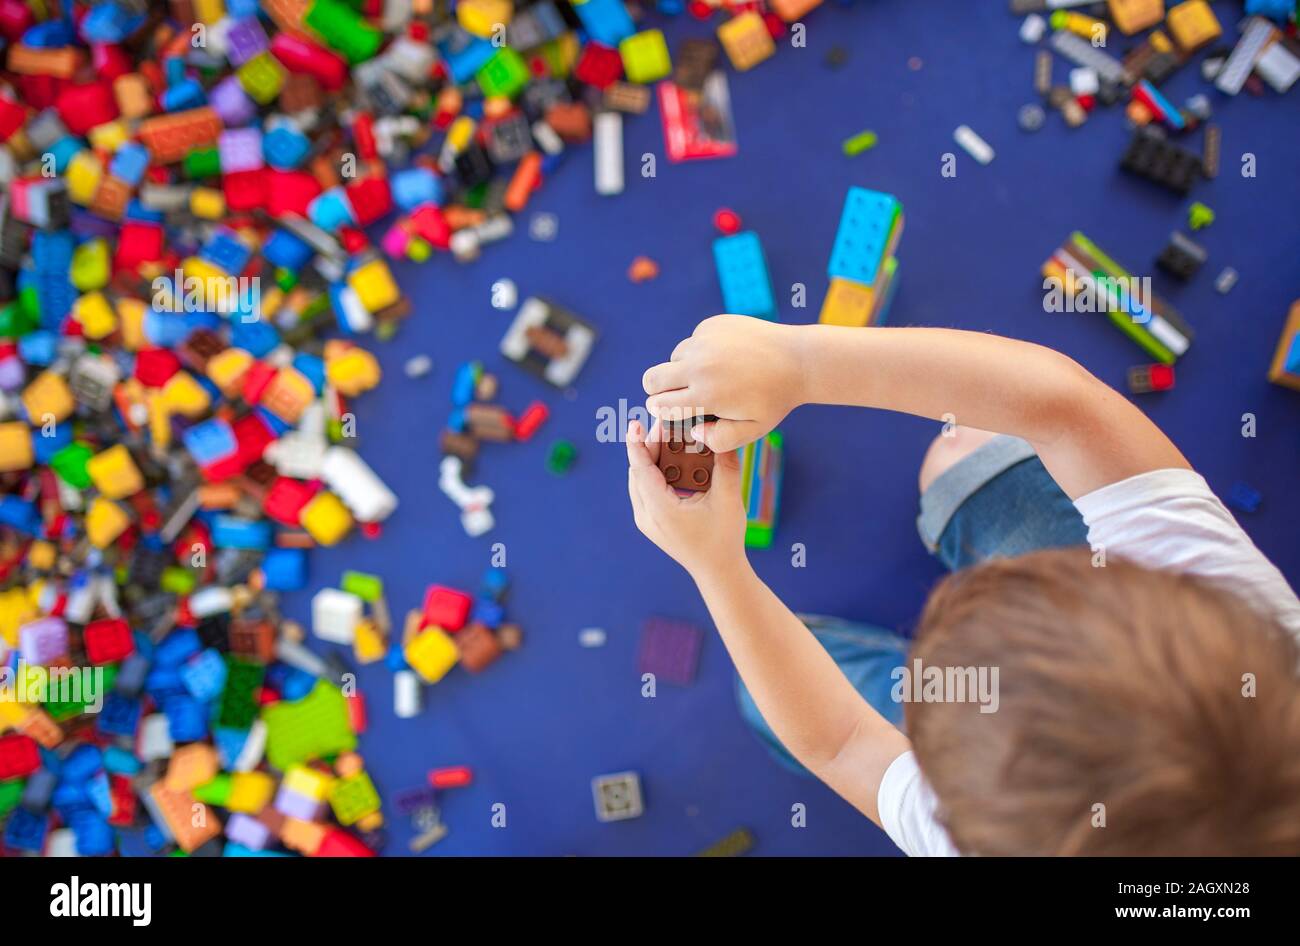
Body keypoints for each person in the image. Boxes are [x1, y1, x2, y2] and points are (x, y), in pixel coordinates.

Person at [626, 316, 1300, 855]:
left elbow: (842, 743)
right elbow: (1063, 407)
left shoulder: (986, 838)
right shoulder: (1251, 632)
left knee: (761, 695)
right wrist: (800, 363)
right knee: (965, 451)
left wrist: (717, 566)